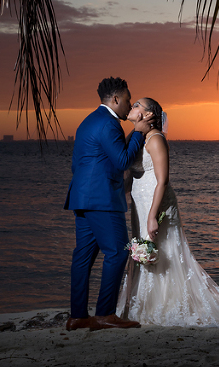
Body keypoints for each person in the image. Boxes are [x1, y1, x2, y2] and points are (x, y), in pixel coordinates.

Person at [116, 98, 219, 329]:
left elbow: (162, 180)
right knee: (143, 251)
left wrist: (153, 215)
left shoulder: (155, 140)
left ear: (148, 115)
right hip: (140, 201)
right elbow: (132, 174)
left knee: (163, 251)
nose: (132, 108)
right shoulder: (137, 137)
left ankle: (164, 305)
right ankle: (142, 304)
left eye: (136, 106)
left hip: (156, 203)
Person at [64, 77, 154, 331]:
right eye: (127, 99)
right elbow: (123, 161)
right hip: (101, 199)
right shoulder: (109, 124)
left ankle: (78, 316)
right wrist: (137, 132)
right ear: (115, 99)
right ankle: (105, 314)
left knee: (83, 257)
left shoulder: (89, 121)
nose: (128, 105)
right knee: (117, 252)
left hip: (82, 197)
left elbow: (78, 164)